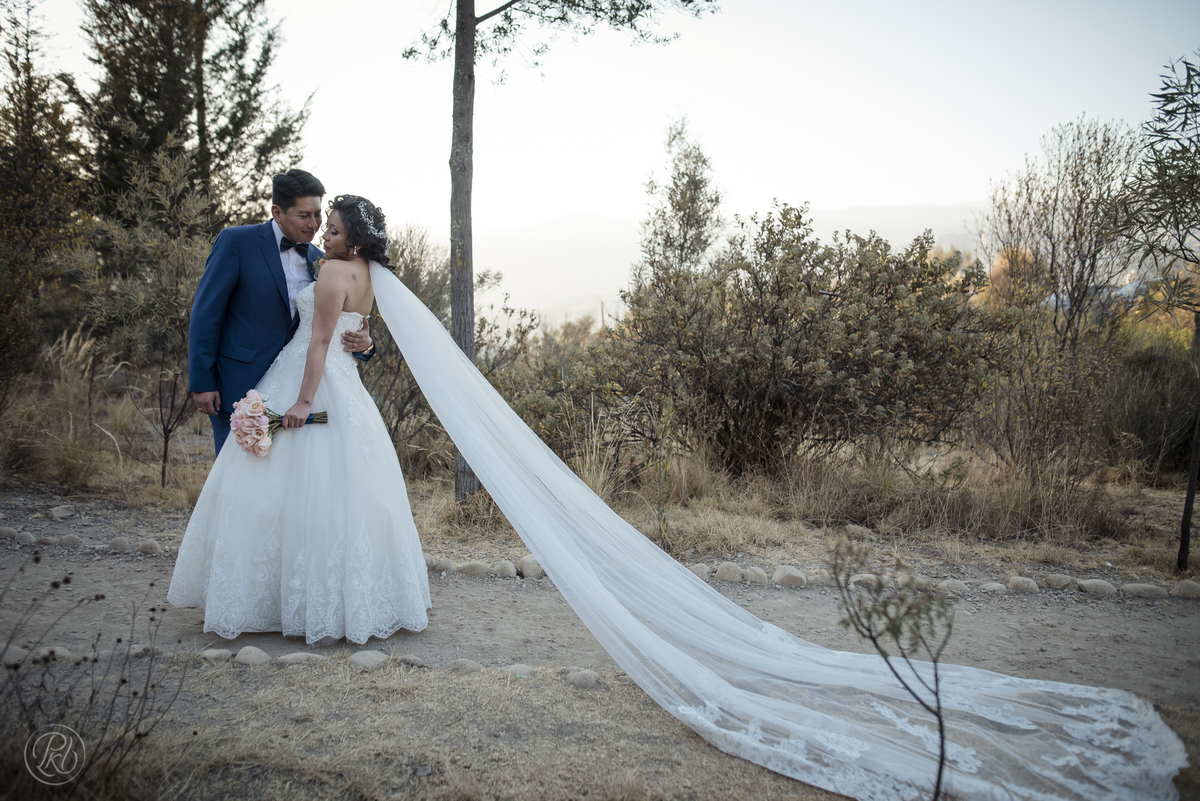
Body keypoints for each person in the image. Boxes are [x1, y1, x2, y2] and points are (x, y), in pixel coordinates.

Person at [168, 195, 430, 644]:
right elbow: (357, 328)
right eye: (319, 222)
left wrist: (304, 401)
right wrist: (365, 341)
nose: (322, 232)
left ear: (353, 239)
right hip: (346, 389)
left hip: (307, 379)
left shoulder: (329, 270)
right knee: (347, 489)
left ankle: (272, 599)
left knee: (273, 485)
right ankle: (352, 599)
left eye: (332, 229)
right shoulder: (368, 273)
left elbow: (320, 342)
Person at [188, 169, 376, 455]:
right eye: (304, 215)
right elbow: (206, 313)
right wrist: (202, 381)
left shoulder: (322, 261)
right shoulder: (236, 242)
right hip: (238, 386)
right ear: (277, 212)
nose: (314, 224)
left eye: (318, 215)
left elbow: (333, 326)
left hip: (294, 389)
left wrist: (366, 346)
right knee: (235, 472)